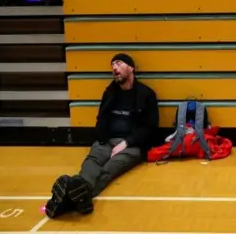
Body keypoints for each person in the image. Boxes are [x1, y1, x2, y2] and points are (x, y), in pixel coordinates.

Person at [44, 53, 159, 218]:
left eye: (118, 63)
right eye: (112, 65)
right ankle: (79, 195)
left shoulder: (147, 94)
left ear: (131, 68)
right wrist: (102, 139)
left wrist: (126, 143)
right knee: (91, 163)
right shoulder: (110, 93)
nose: (114, 68)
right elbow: (101, 119)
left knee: (110, 169)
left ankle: (69, 200)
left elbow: (150, 128)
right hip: (106, 140)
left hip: (132, 145)